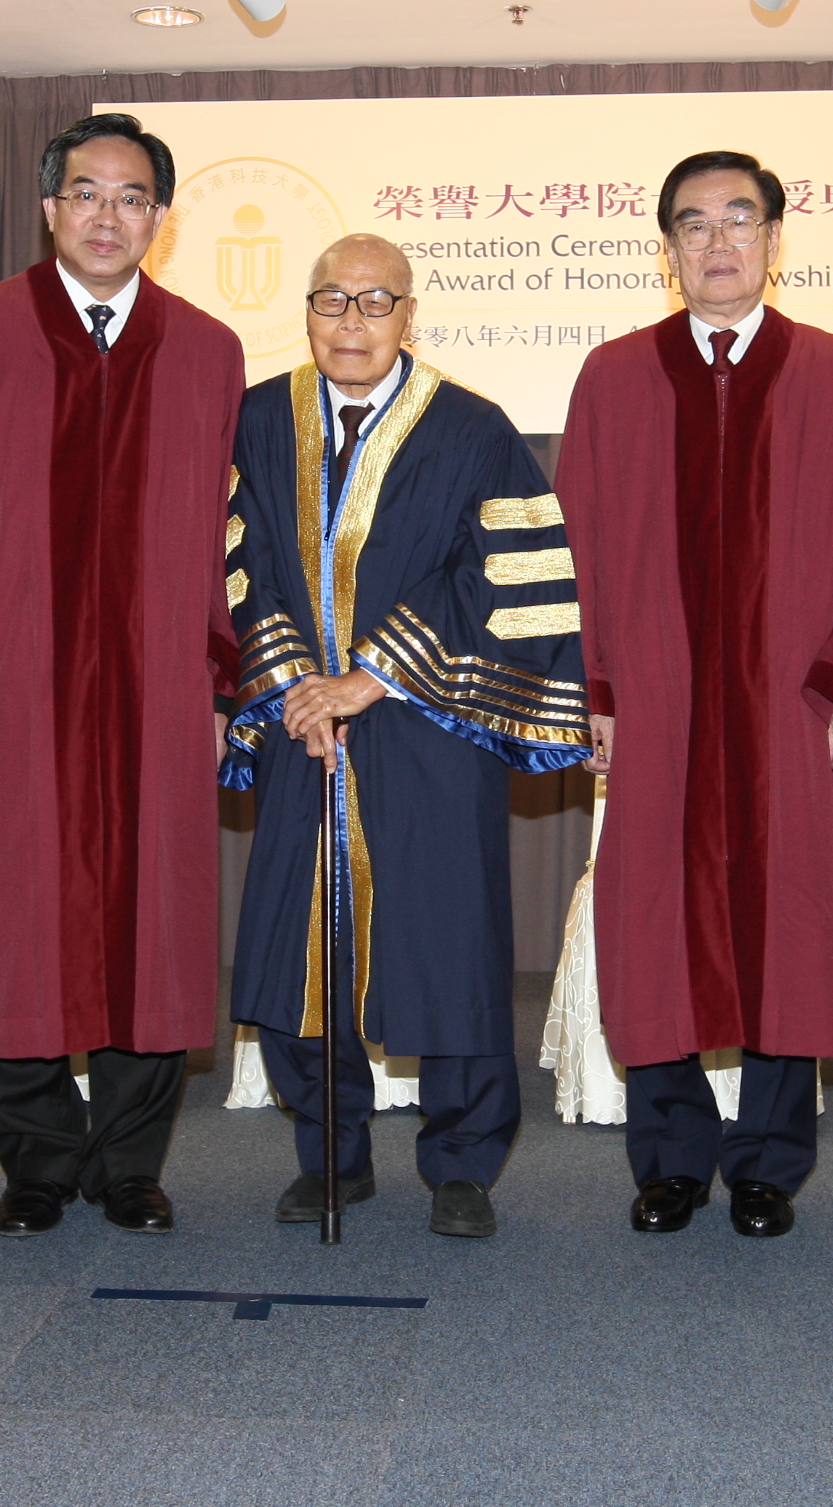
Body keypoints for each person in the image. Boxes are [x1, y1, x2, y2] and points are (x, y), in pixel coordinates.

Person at [0, 113, 244, 1237]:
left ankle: (130, 1160)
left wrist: (221, 687)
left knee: (153, 918)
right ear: (47, 208)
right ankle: (34, 1158)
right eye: (84, 192)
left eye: (131, 197)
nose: (105, 215)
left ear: (159, 219)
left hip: (155, 684)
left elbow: (229, 540)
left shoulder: (204, 349)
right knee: (8, 911)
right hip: (3, 680)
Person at [557, 150, 833, 1238]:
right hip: (654, 699)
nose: (717, 243)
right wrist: (594, 689)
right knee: (652, 916)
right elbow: (578, 545)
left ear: (773, 239)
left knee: (783, 921)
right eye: (693, 224)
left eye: (738, 220)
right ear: (665, 249)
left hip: (783, 702)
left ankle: (764, 1160)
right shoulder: (614, 376)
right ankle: (668, 1156)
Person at [222, 234, 592, 1240]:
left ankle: (461, 1163)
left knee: (448, 944)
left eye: (373, 300)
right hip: (307, 729)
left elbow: (505, 572)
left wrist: (367, 675)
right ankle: (327, 1151)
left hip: (430, 727)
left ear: (408, 312)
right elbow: (236, 554)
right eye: (330, 298)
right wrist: (296, 681)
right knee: (302, 945)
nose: (350, 320)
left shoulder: (472, 427)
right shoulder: (259, 417)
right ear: (305, 309)